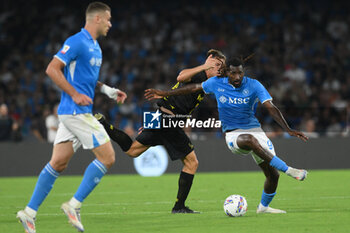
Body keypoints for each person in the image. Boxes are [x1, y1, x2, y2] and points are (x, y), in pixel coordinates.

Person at [145, 57, 308, 214]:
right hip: (233, 135)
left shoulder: (254, 85)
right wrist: (165, 93)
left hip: (256, 131)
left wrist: (288, 129)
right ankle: (290, 170)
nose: (237, 77)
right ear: (226, 72)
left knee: (273, 175)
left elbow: (270, 107)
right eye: (233, 73)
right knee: (249, 140)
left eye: (240, 73)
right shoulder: (216, 83)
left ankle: (263, 207)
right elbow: (193, 88)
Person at [16, 2, 127, 233]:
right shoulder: (76, 41)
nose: (110, 23)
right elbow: (52, 69)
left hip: (74, 114)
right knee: (108, 157)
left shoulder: (96, 47)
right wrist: (74, 94)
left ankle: (28, 213)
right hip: (75, 112)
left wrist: (107, 90)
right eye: (108, 19)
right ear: (96, 19)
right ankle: (74, 205)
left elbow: (87, 80)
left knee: (58, 163)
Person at [95, 49, 226, 213]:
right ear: (209, 63)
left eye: (222, 67)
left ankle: (104, 124)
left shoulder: (209, 82)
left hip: (161, 115)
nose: (220, 70)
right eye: (217, 66)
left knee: (132, 150)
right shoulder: (199, 74)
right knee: (192, 163)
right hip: (169, 120)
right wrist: (204, 66)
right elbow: (181, 76)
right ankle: (179, 207)